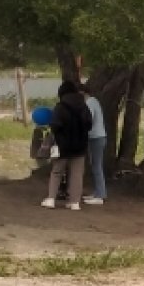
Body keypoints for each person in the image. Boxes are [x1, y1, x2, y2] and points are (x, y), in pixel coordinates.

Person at [42, 81, 92, 210]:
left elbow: (55, 125)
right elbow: (89, 125)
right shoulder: (84, 106)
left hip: (62, 145)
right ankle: (74, 202)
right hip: (80, 145)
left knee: (57, 171)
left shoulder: (60, 107)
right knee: (77, 174)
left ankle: (51, 199)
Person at [82, 87, 107, 205]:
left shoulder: (90, 102)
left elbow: (88, 119)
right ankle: (97, 192)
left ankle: (100, 195)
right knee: (95, 165)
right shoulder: (93, 101)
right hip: (97, 137)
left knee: (97, 166)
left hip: (96, 138)